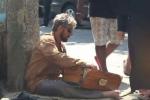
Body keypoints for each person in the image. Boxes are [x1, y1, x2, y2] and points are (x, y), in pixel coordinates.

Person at [25, 13, 119, 99]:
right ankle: (103, 95)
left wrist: (85, 72)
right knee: (63, 87)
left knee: (78, 83)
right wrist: (83, 63)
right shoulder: (46, 40)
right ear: (60, 28)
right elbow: (58, 58)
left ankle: (101, 91)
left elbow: (66, 67)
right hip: (37, 82)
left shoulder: (61, 47)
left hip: (53, 79)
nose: (71, 34)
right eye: (69, 31)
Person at [77, 0, 124, 72]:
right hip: (98, 11)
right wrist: (79, 10)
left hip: (116, 12)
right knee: (100, 43)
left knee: (118, 40)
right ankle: (104, 70)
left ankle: (99, 58)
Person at [117, 0, 150, 97]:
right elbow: (122, 5)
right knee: (139, 57)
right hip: (137, 24)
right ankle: (142, 89)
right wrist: (121, 27)